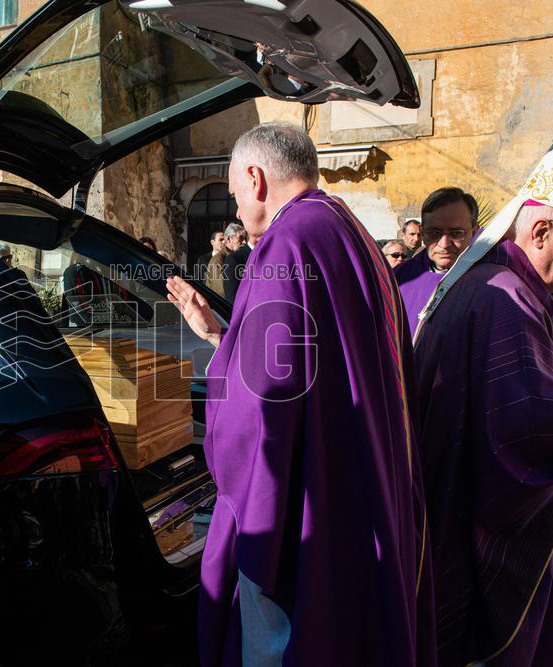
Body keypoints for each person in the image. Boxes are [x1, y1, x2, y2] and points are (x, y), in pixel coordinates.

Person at [166, 122, 432, 666]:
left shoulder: (285, 244)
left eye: (236, 195)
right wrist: (220, 333)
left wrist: (219, 446)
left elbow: (260, 405)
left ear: (256, 179)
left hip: (311, 503)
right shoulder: (349, 230)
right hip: (365, 478)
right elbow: (321, 360)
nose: (237, 212)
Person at [412, 114, 553, 665]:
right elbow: (528, 437)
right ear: (538, 232)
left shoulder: (485, 280)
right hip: (475, 516)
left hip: (447, 496)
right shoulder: (507, 301)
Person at [394, 187, 479, 337]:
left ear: (474, 232)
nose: (444, 243)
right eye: (434, 233)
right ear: (423, 231)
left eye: (456, 233)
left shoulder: (487, 282)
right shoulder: (400, 277)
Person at [221, 222, 253, 302]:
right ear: (229, 239)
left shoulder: (239, 255)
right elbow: (223, 292)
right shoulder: (227, 259)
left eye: (245, 238)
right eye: (240, 238)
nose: (244, 242)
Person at [202, 229, 229, 298]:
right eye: (221, 239)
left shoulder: (228, 258)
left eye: (224, 240)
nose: (223, 242)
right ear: (212, 242)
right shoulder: (203, 259)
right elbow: (199, 279)